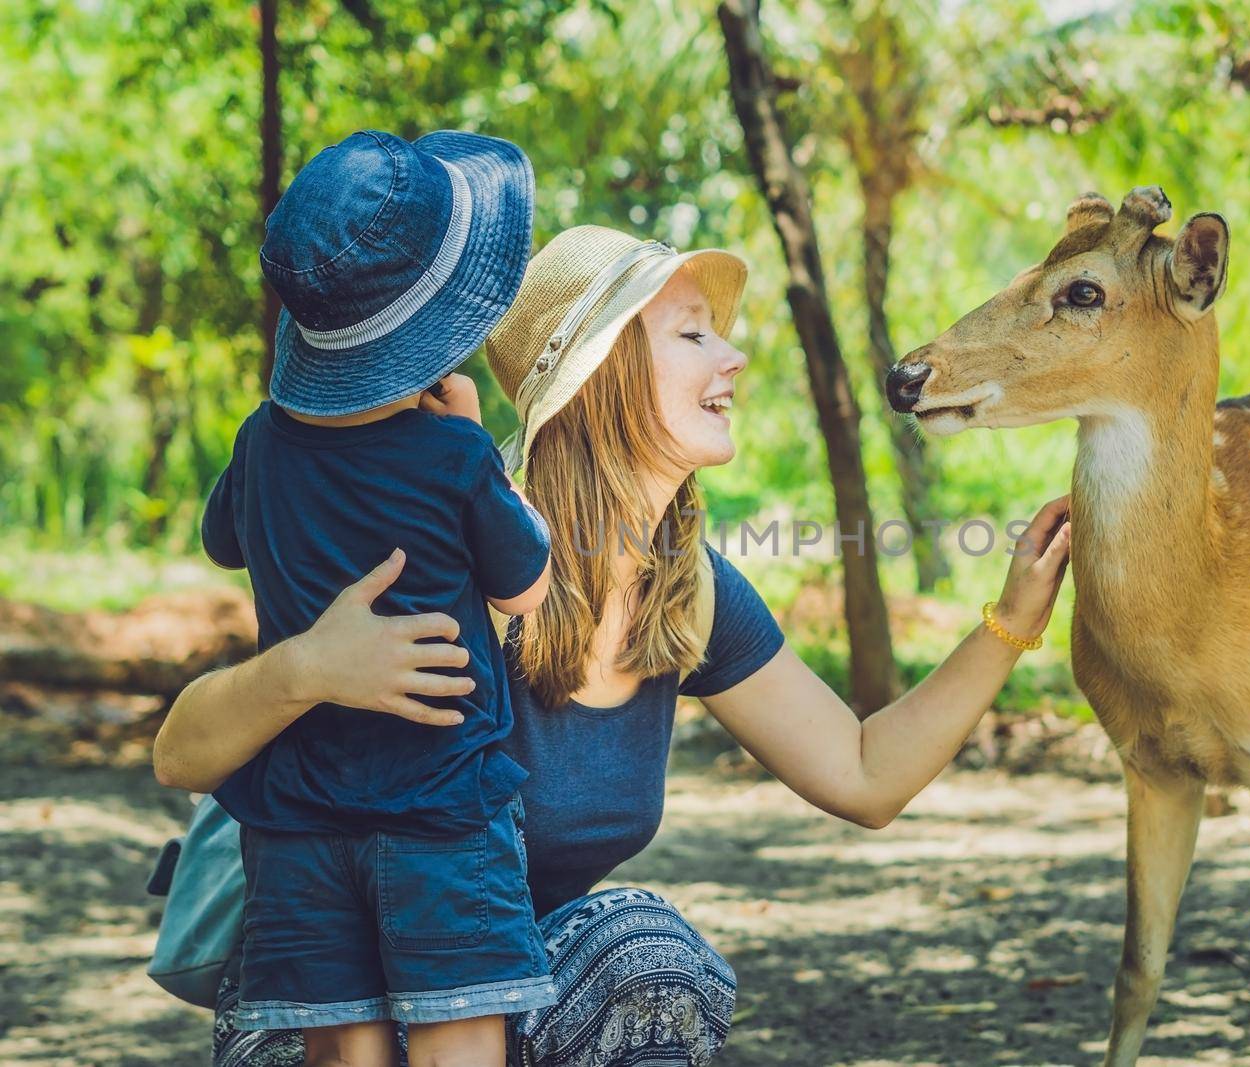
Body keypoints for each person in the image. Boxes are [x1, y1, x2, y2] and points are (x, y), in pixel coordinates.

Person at [153, 224, 1073, 1067]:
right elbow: (181, 748)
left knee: (645, 953)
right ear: (599, 377)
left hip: (504, 987)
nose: (734, 354)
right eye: (691, 335)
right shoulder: (458, 543)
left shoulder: (690, 588)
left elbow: (867, 773)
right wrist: (305, 667)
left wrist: (1012, 619)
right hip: (330, 1001)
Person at [192, 128, 553, 1067]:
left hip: (297, 824)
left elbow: (223, 540)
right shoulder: (455, 455)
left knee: (345, 1054)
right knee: (456, 1047)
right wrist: (483, 453)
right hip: (442, 815)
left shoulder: (259, 444)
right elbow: (526, 587)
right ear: (433, 337)